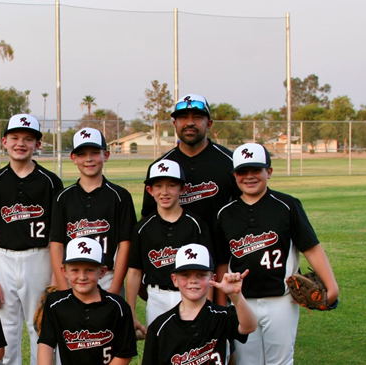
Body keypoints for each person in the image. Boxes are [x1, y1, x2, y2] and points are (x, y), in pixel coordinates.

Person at [213, 143, 339, 365]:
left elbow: (311, 247)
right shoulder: (225, 213)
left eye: (256, 170)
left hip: (282, 300)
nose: (249, 177)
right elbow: (223, 262)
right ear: (234, 175)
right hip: (242, 301)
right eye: (243, 171)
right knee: (245, 361)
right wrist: (223, 304)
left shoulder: (287, 205)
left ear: (269, 172)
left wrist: (332, 286)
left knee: (280, 361)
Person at [0, 114, 63, 365]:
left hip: (40, 256)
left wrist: (57, 275)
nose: (20, 143)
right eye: (14, 137)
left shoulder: (50, 182)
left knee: (41, 324)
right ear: (4, 141)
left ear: (37, 144)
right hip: (2, 257)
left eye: (28, 139)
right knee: (6, 329)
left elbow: (58, 234)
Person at [138, 94, 237, 304]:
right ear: (174, 123)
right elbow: (147, 221)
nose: (190, 122)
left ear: (209, 123)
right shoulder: (162, 166)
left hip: (222, 261)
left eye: (197, 117)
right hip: (171, 268)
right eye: (183, 117)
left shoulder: (229, 162)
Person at [127, 159, 212, 338]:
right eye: (158, 186)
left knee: (192, 350)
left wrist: (208, 306)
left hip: (192, 295)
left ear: (183, 189)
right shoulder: (142, 228)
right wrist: (131, 311)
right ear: (150, 190)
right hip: (157, 297)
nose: (164, 192)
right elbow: (134, 272)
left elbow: (208, 272)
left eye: (172, 185)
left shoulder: (196, 225)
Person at [50, 127, 136, 294]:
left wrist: (115, 288)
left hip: (107, 275)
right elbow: (56, 245)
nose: (88, 159)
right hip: (73, 276)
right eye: (82, 154)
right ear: (73, 158)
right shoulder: (63, 198)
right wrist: (62, 288)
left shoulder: (119, 196)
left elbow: (125, 245)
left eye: (95, 152)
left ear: (106, 155)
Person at [142, 244, 256, 365]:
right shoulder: (160, 327)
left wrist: (236, 297)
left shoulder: (222, 316)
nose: (193, 280)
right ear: (174, 279)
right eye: (185, 275)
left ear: (213, 278)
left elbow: (249, 327)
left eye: (201, 274)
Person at [37, 237, 137, 365]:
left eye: (89, 270)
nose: (82, 277)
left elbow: (125, 353)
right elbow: (46, 343)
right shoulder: (55, 303)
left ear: (102, 272)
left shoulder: (117, 306)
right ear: (64, 271)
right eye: (75, 270)